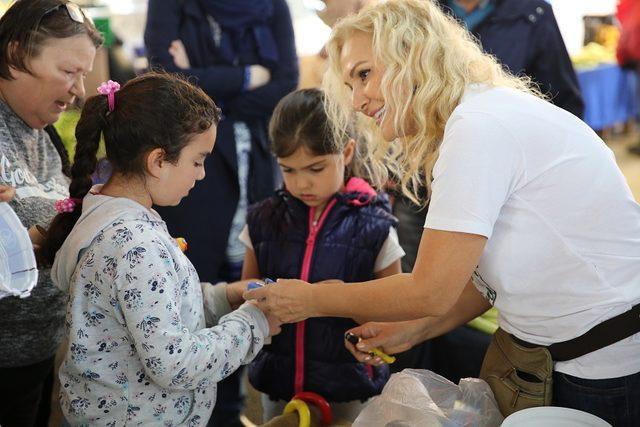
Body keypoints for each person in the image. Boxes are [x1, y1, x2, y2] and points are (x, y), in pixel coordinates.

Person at [244, 1, 640, 424]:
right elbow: (481, 275)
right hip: (572, 353)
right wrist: (418, 328)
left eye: (364, 75)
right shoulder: (479, 115)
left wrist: (309, 298)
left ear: (412, 55)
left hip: (602, 365)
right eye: (350, 84)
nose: (357, 101)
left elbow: (430, 289)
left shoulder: (478, 128)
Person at [40, 72, 279, 425]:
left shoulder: (106, 218)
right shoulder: (137, 244)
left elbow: (148, 308)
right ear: (157, 161)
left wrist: (224, 297)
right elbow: (175, 363)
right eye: (197, 161)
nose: (201, 175)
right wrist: (254, 323)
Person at [144, 2, 298, 424]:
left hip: (258, 173)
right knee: (193, 292)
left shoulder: (272, 5)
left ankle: (229, 411)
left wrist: (208, 86)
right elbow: (167, 86)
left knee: (246, 283)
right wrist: (249, 77)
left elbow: (286, 83)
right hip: (198, 180)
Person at [241, 89, 404, 422]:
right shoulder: (262, 220)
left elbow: (397, 308)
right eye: (288, 170)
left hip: (352, 392)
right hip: (280, 389)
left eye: (315, 168)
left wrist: (356, 316)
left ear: (345, 152)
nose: (302, 183)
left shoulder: (375, 225)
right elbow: (246, 292)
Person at [0, 1, 102, 425]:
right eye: (68, 71)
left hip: (37, 363)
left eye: (83, 74)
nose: (79, 90)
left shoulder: (45, 136)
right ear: (16, 55)